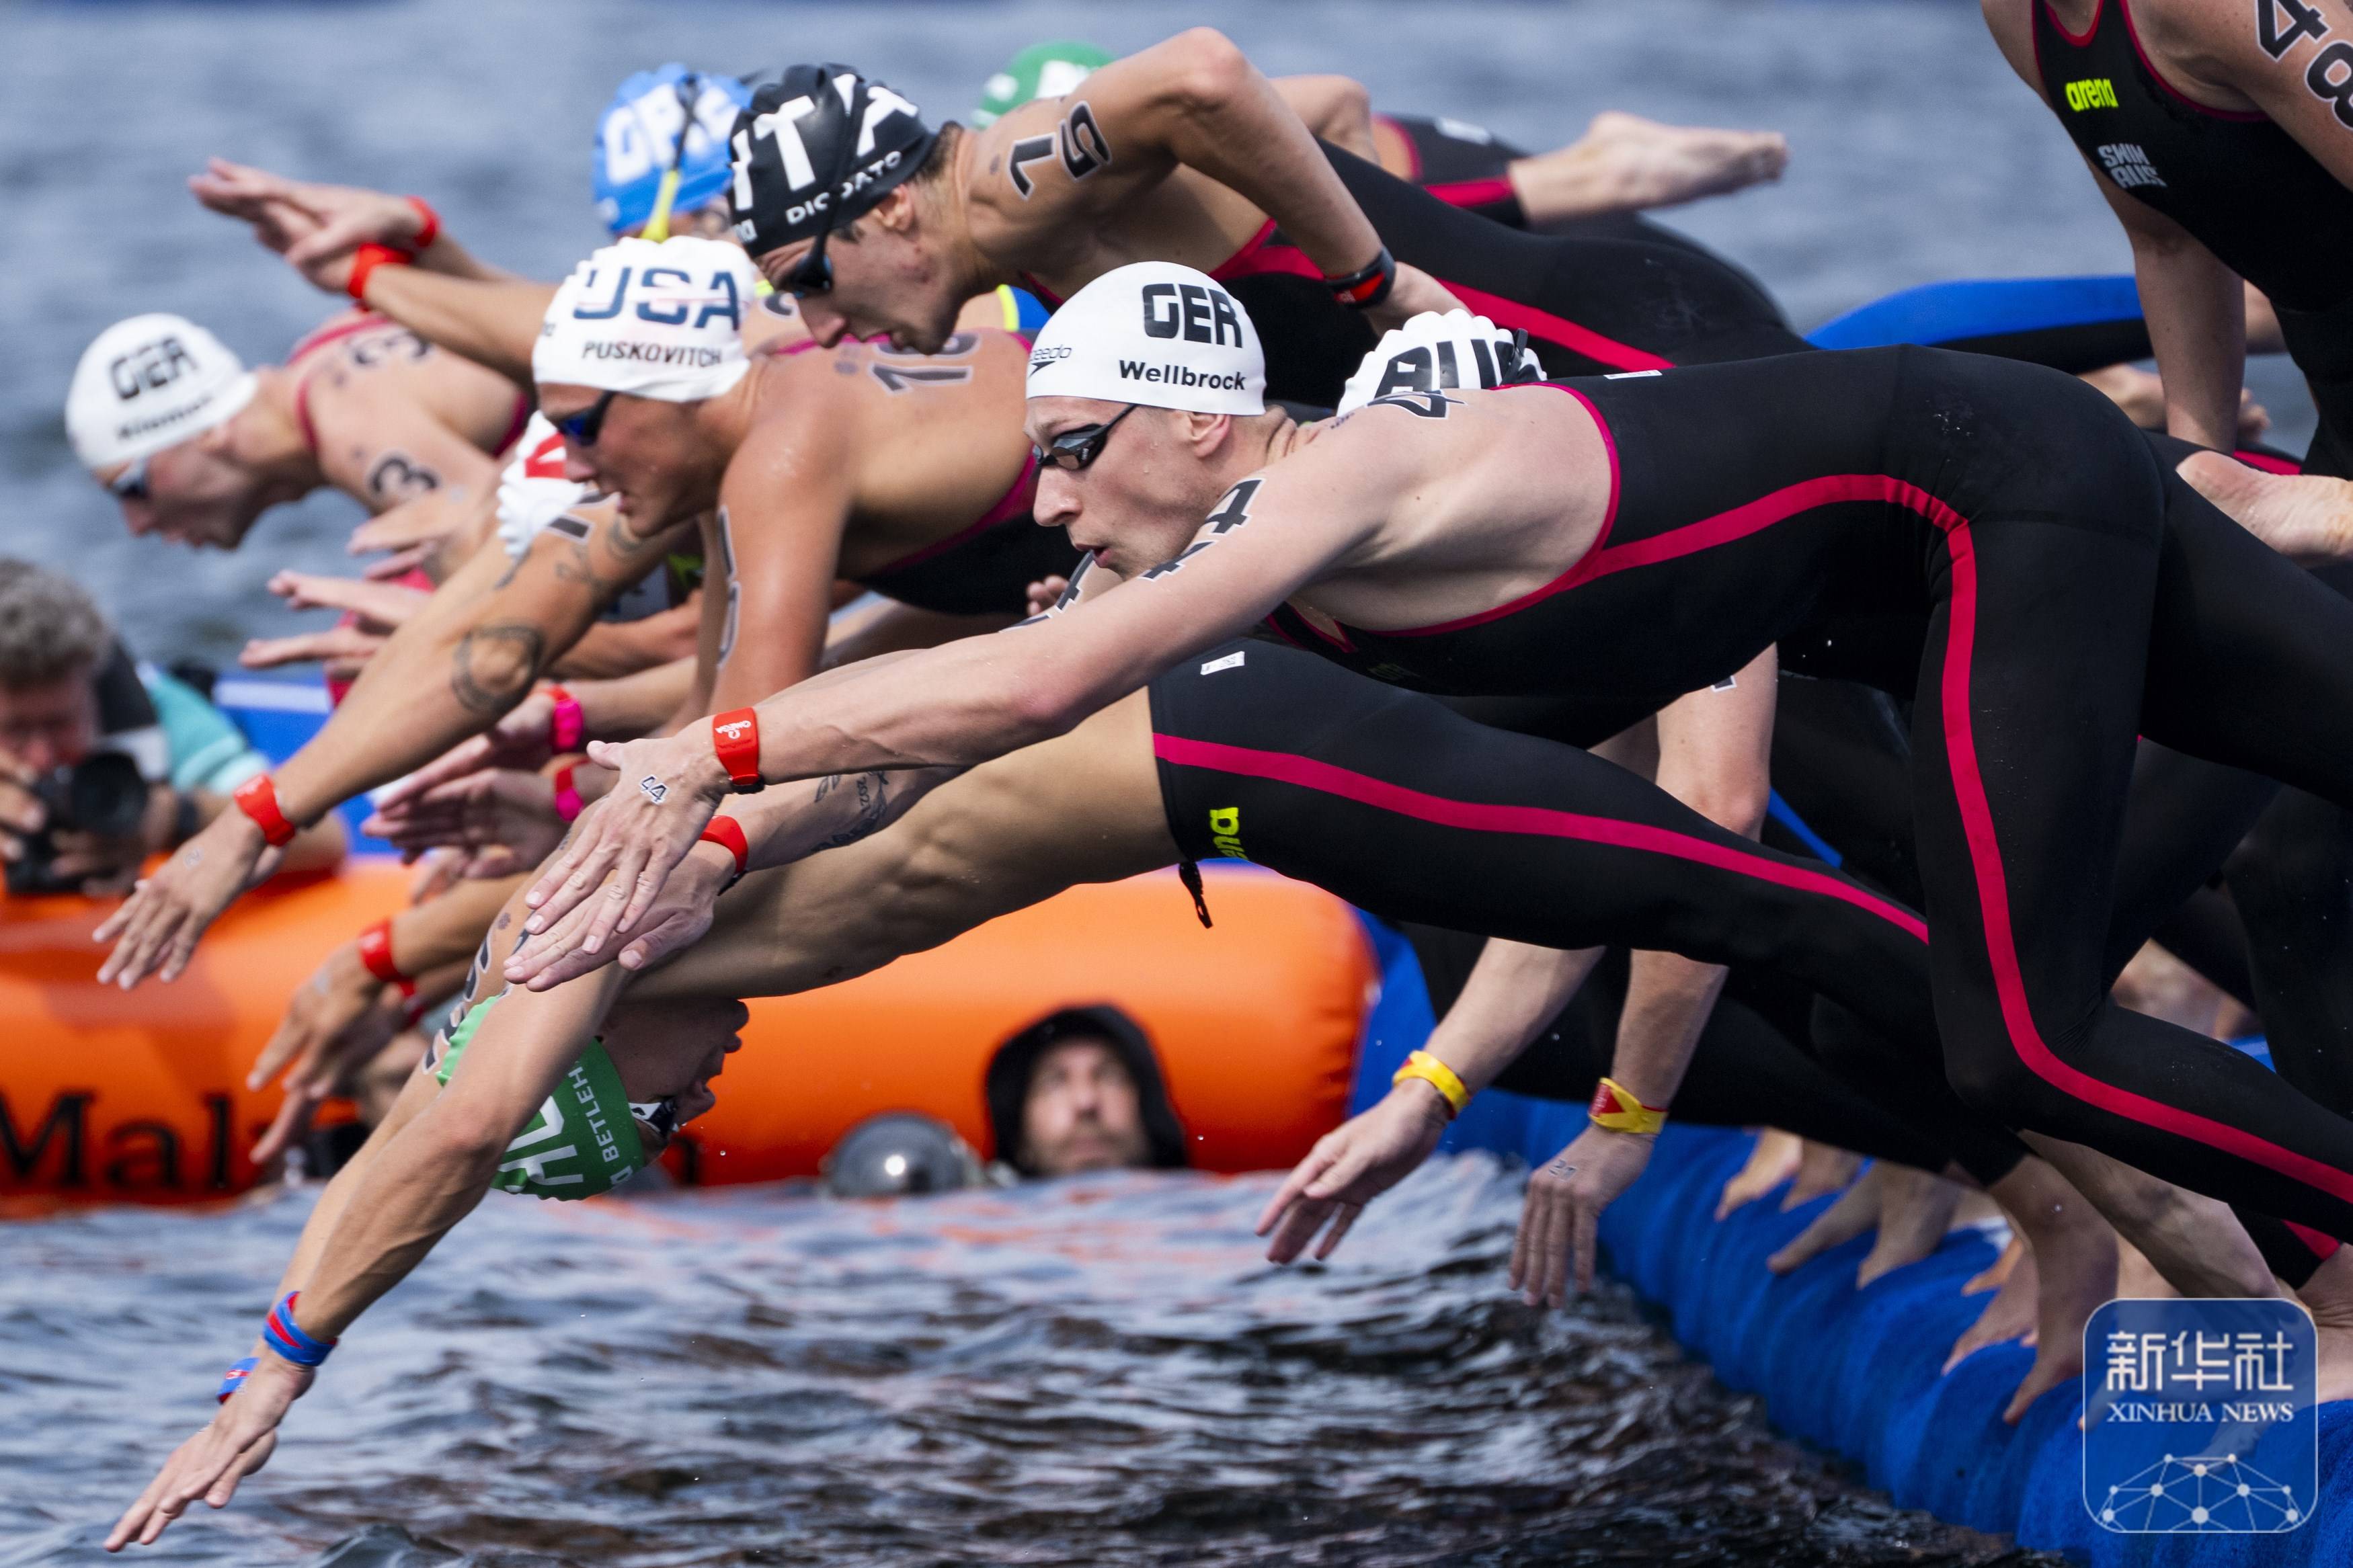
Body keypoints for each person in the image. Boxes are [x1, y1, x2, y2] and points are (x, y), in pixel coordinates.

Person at [110, 618, 2155, 1546]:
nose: (701, 1090)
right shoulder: (637, 910)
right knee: (1647, 933)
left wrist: (280, 1357)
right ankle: (2044, 1151)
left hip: (1244, 743)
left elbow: (460, 1122)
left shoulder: (604, 925)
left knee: (1746, 900)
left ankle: (2111, 1174)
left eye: (651, 1115)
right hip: (1241, 773)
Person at [529, 270, 2353, 1272]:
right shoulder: (1300, 596)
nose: (1058, 505)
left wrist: (700, 750)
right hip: (1968, 529)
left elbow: (1040, 680)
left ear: (1191, 417)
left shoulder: (1324, 491)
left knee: (2010, 1033)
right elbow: (1560, 865)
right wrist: (735, 827)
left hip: (1981, 496)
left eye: (1076, 459)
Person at [969, 40, 1788, 231]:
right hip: (1410, 143)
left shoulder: (1128, 177)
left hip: (1416, 175)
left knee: (1605, 183)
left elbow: (1326, 103)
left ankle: (1649, 155)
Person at [67, 303, 528, 559]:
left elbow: (537, 584)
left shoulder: (355, 429)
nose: (135, 524)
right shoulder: (324, 353)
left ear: (206, 432)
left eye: (132, 487)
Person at [0, 559, 343, 897]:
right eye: (14, 729)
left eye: (60, 723)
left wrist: (178, 818)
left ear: (93, 685)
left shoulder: (165, 717)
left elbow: (323, 837)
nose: (41, 756)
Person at [983, 1003, 1188, 1178]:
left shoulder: (1205, 1211)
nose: (1086, 1102)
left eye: (1111, 1076)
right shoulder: (977, 1217)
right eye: (1053, 1083)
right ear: (1020, 1139)